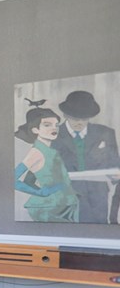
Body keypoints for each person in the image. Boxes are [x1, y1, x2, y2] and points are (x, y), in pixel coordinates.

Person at [51, 90, 120, 224]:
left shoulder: (105, 133)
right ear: (65, 115)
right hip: (65, 196)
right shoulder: (53, 135)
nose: (80, 123)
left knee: (98, 231)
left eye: (84, 119)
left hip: (98, 198)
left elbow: (115, 163)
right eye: (75, 118)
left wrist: (116, 174)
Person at [14, 107, 79, 223]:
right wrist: (40, 192)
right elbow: (12, 180)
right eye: (47, 125)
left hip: (67, 204)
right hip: (51, 208)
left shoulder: (51, 151)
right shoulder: (36, 153)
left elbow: (29, 180)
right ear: (35, 130)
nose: (54, 128)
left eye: (56, 125)